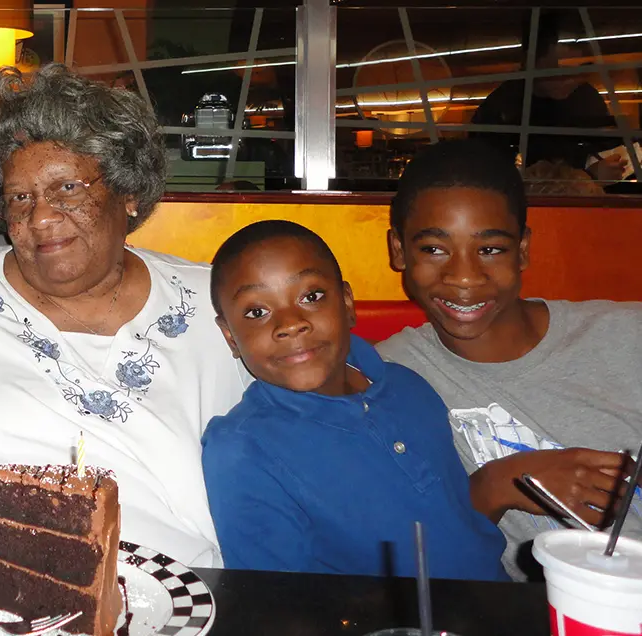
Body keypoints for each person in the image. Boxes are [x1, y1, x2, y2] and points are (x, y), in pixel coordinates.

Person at [0, 63, 246, 566]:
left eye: (68, 188)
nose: (41, 217)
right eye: (20, 197)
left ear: (129, 193)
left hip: (152, 605)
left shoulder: (219, 300)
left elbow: (330, 386)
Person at [377, 139, 641, 581]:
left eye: (491, 249)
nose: (464, 276)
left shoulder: (626, 337)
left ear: (522, 250)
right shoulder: (384, 379)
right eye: (434, 249)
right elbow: (409, 554)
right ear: (399, 251)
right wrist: (500, 483)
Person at [201, 221, 507, 580]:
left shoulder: (409, 387)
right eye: (257, 312)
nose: (291, 323)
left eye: (311, 296)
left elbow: (457, 527)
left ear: (347, 303)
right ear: (231, 337)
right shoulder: (242, 449)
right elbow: (275, 603)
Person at [471, 10, 626, 186]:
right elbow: (499, 187)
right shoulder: (499, 111)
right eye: (560, 71)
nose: (572, 80)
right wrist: (589, 178)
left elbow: (604, 146)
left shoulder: (587, 98)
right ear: (532, 61)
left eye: (580, 71)